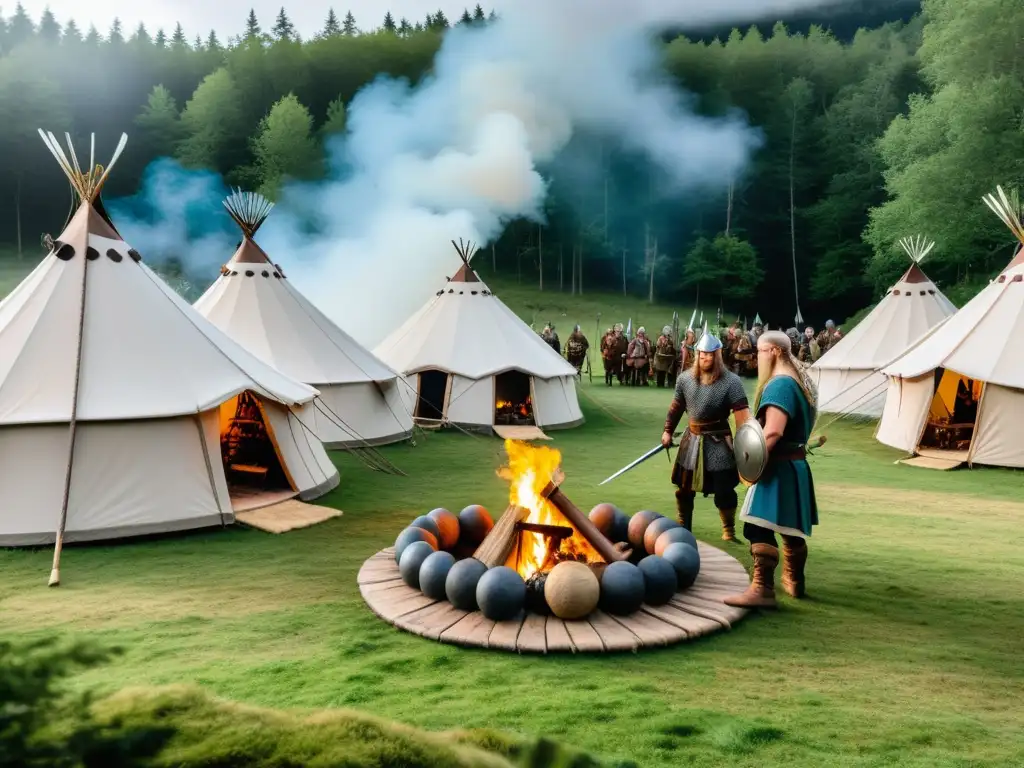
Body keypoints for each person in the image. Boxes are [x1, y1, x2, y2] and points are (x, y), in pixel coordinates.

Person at [724, 331, 819, 608]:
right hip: (794, 465)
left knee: (757, 527)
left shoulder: (780, 385)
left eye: (761, 351)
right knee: (789, 529)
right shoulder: (801, 381)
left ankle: (762, 589)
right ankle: (794, 579)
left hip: (776, 467)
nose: (758, 357)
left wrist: (747, 460)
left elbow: (773, 432)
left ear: (775, 351)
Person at [661, 328, 751, 541]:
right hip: (691, 439)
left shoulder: (731, 382)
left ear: (717, 355)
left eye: (710, 354)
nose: (705, 358)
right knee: (684, 488)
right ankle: (684, 526)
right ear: (697, 355)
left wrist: (745, 443)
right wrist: (667, 431)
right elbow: (676, 408)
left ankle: (728, 530)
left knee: (724, 488)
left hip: (718, 440)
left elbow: (742, 415)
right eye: (702, 354)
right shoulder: (685, 380)